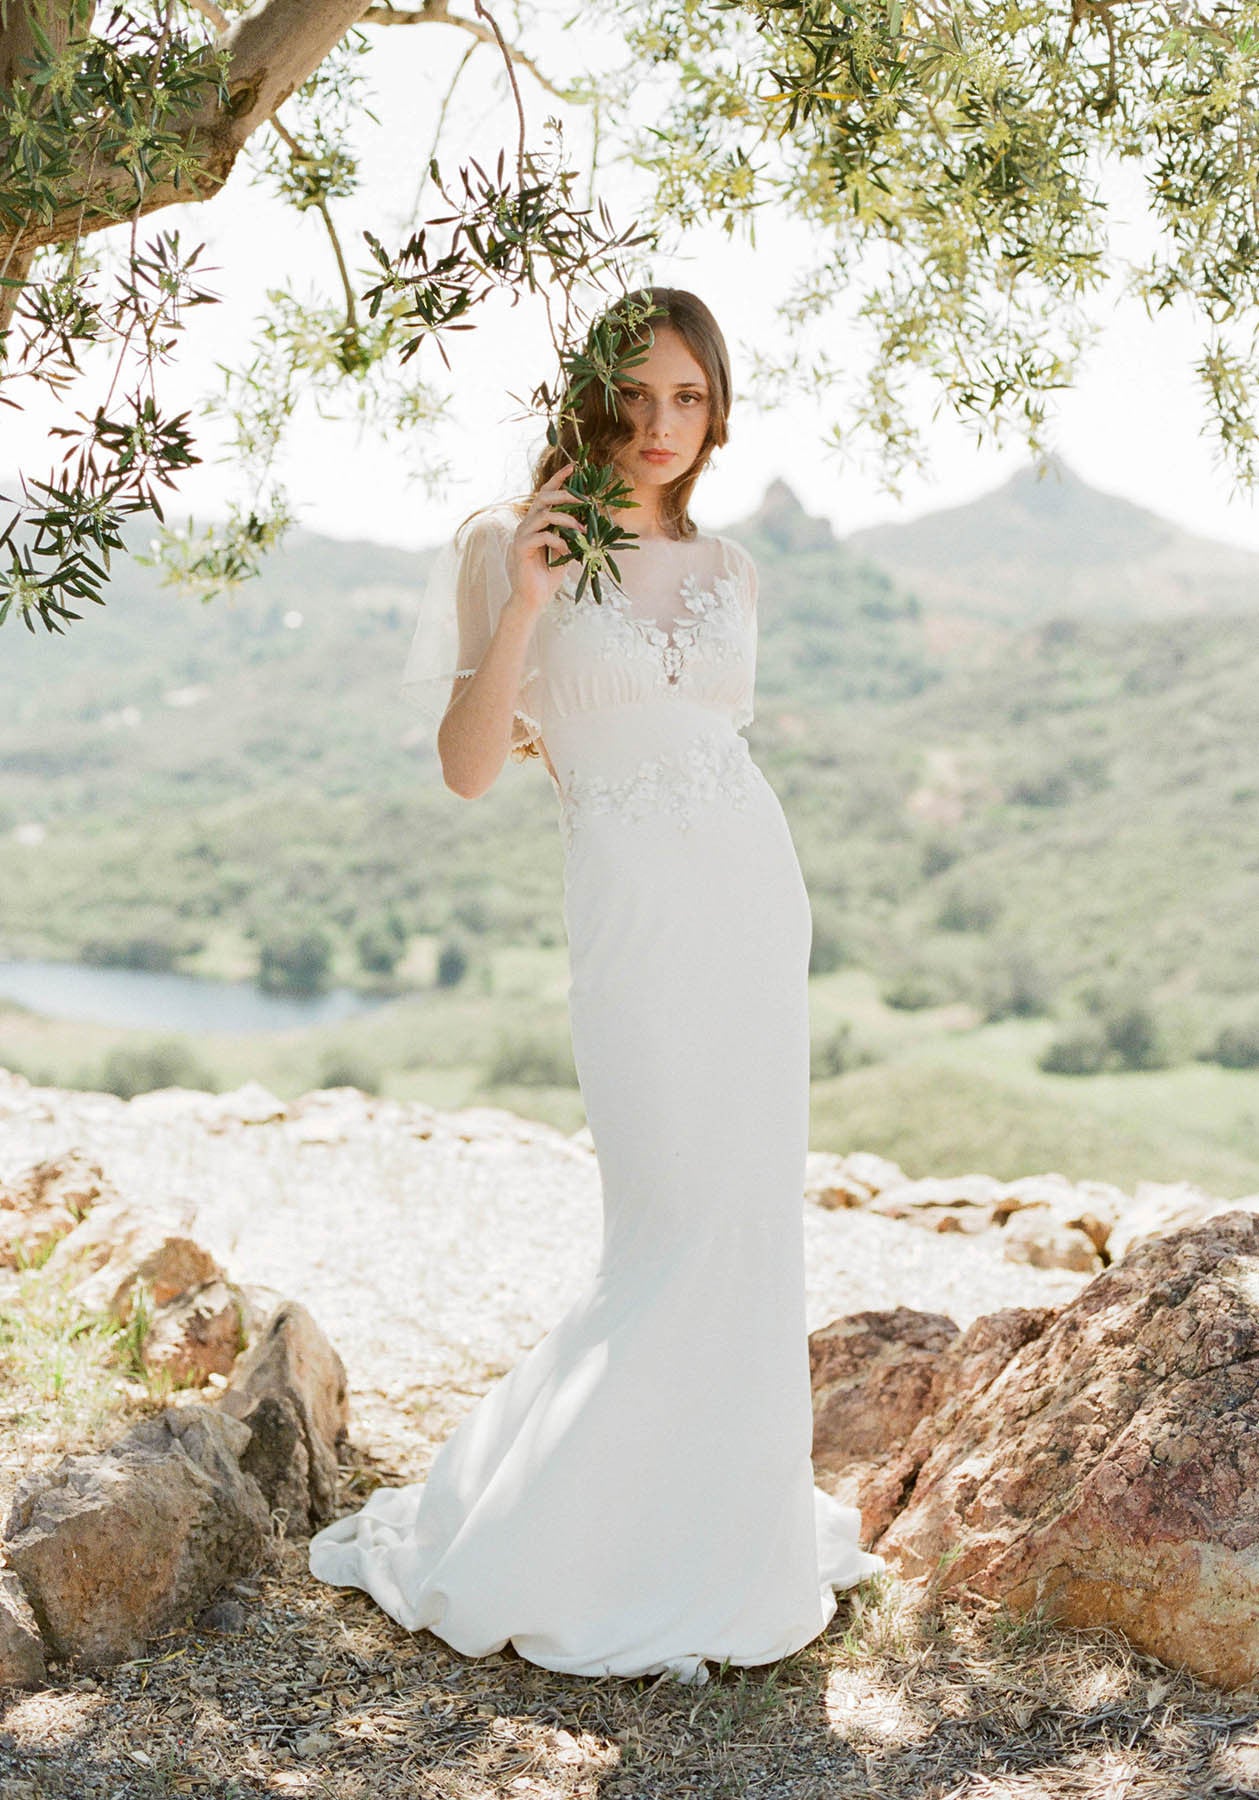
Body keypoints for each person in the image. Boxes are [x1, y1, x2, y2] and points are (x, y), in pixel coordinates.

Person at [307, 285, 886, 1684]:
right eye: (641, 397)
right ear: (596, 396)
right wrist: (526, 600)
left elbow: (713, 746)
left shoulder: (733, 568)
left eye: (691, 398)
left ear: (719, 403)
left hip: (754, 906)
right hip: (631, 917)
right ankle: (567, 1536)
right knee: (668, 1225)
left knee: (744, 1225)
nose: (664, 428)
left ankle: (719, 1540)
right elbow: (464, 762)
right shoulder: (513, 545)